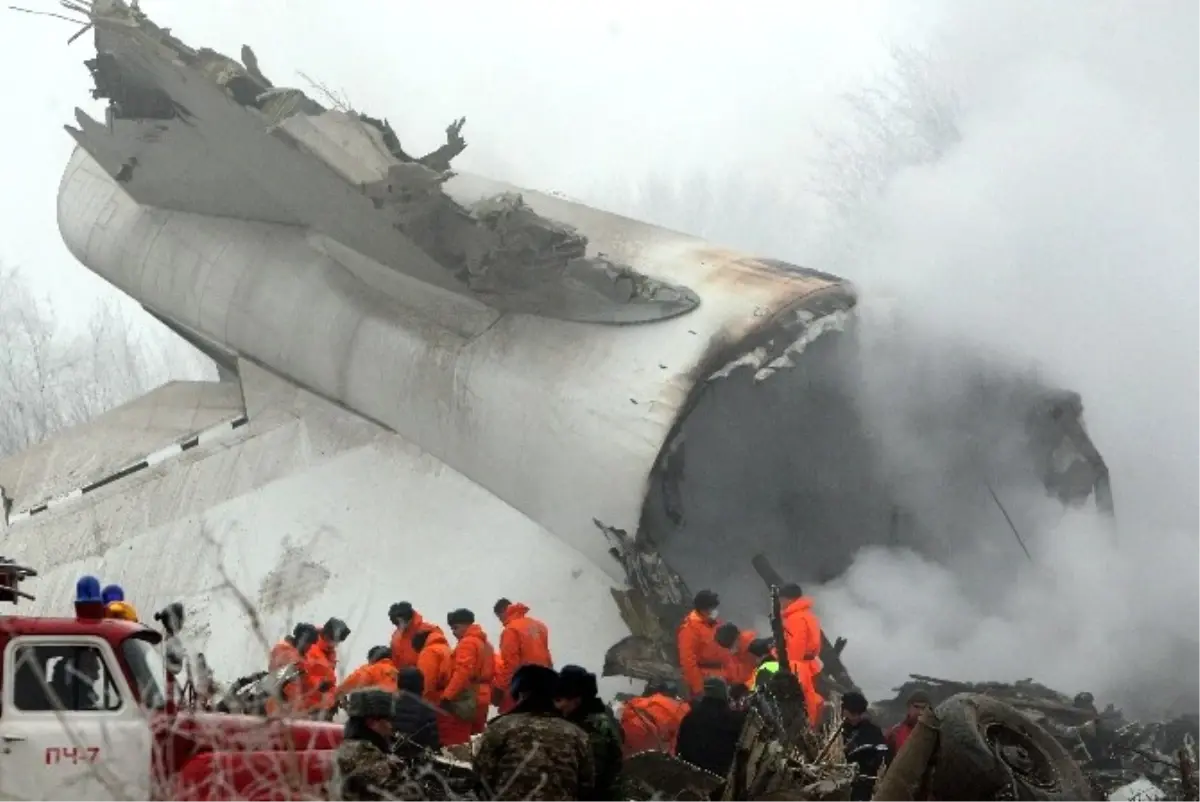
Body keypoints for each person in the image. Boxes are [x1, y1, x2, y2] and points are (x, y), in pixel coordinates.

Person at [474, 665, 595, 802]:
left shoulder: (499, 728)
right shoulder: (578, 735)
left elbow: (481, 779)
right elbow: (586, 787)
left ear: (521, 694)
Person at [555, 665, 623, 802]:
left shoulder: (593, 727)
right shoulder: (597, 717)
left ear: (576, 700)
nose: (557, 706)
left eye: (560, 700)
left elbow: (592, 775)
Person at [333, 689, 409, 801]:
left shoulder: (367, 745)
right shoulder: (358, 751)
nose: (392, 726)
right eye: (389, 720)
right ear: (371, 722)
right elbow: (397, 790)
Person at [675, 677, 747, 778]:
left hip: (690, 775)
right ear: (724, 694)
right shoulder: (733, 719)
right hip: (718, 778)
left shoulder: (690, 716)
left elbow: (679, 747)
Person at [493, 598, 553, 713]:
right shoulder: (539, 626)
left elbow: (510, 664)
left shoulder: (510, 630)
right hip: (544, 681)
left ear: (502, 612)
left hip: (524, 685)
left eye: (499, 618)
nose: (501, 622)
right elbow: (547, 655)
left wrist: (500, 690)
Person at [778, 582, 825, 725]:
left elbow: (795, 648)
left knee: (807, 700)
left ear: (789, 599)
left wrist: (787, 666)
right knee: (813, 698)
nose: (780, 602)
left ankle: (809, 729)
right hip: (811, 664)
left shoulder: (795, 619)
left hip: (799, 666)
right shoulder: (807, 615)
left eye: (781, 599)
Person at [444, 608, 495, 734]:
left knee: (462, 737)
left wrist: (447, 696)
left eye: (455, 628)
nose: (453, 633)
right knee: (477, 736)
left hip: (470, 696)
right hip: (485, 694)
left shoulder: (467, 643)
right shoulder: (486, 644)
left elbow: (462, 672)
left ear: (466, 625)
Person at [412, 628, 466, 746]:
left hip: (437, 702)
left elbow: (426, 683)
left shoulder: (428, 652)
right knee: (456, 739)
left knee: (444, 740)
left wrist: (422, 706)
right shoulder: (446, 649)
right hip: (454, 698)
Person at [676, 590, 726, 699]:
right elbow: (688, 662)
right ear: (703, 610)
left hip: (722, 679)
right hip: (705, 682)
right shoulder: (689, 629)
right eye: (712, 608)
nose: (715, 611)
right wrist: (699, 688)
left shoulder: (716, 624)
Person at [840, 692, 889, 802]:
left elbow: (883, 758)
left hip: (864, 788)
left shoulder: (873, 731)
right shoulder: (835, 731)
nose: (855, 717)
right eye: (852, 713)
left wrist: (870, 759)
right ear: (843, 710)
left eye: (858, 713)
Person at [619, 679, 689, 756]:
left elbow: (626, 707)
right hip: (647, 738)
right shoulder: (681, 710)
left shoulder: (652, 699)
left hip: (629, 727)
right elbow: (675, 743)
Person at [302, 617, 350, 719]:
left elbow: (329, 681)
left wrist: (338, 695)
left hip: (323, 707)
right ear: (327, 636)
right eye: (335, 641)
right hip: (309, 708)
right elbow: (303, 674)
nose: (336, 645)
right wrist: (320, 684)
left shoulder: (330, 653)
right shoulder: (311, 648)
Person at [266, 623, 317, 717]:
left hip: (289, 707)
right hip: (279, 706)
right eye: (309, 644)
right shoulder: (285, 651)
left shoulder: (300, 655)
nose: (310, 647)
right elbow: (288, 684)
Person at [392, 667, 441, 759]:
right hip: (415, 758)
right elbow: (433, 738)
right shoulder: (427, 708)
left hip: (392, 755)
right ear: (421, 685)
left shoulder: (388, 704)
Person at [389, 602, 438, 670]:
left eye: (397, 622)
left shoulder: (428, 630)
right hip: (405, 676)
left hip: (426, 673)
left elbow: (439, 655)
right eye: (394, 622)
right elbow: (395, 659)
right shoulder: (396, 636)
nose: (397, 625)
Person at [886, 690, 931, 756]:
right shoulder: (895, 732)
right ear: (909, 707)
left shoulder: (934, 734)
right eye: (916, 707)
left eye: (923, 708)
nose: (920, 712)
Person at [715, 623, 758, 688]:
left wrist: (746, 686)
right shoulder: (732, 656)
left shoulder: (753, 644)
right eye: (728, 647)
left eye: (731, 646)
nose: (730, 650)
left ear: (737, 637)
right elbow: (730, 674)